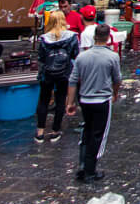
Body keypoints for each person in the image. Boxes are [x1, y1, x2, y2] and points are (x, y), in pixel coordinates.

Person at [66, 24, 121, 182]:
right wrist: (115, 93)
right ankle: (90, 169)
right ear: (108, 37)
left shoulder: (82, 57)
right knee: (99, 135)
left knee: (87, 131)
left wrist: (70, 102)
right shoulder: (112, 57)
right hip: (102, 99)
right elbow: (117, 79)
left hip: (85, 99)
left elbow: (73, 80)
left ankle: (83, 164)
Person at [36, 10, 80, 142]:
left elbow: (41, 57)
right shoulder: (72, 37)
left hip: (47, 73)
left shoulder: (44, 38)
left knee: (43, 99)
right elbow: (75, 54)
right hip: (64, 73)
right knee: (61, 99)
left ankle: (40, 131)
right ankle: (55, 130)